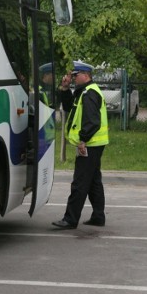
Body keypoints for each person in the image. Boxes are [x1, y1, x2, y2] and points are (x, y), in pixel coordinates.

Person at [52, 60, 109, 229]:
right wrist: (64, 88)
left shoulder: (90, 94)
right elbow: (70, 106)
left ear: (85, 75)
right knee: (93, 181)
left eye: (76, 76)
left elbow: (92, 122)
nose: (74, 78)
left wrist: (83, 140)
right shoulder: (84, 91)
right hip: (93, 144)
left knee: (80, 182)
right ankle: (98, 216)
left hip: (90, 144)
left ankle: (70, 219)